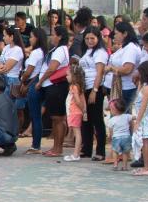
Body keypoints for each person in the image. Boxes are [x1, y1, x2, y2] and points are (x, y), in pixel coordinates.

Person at [77, 28, 109, 161]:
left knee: (97, 120)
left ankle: (100, 151)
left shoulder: (100, 52)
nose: (89, 41)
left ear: (98, 38)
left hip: (94, 88)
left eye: (92, 38)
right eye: (87, 38)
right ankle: (87, 149)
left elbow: (100, 73)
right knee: (86, 120)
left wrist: (94, 91)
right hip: (84, 87)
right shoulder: (87, 52)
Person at [39, 28, 71, 157]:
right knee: (55, 118)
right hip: (54, 86)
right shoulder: (58, 49)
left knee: (58, 118)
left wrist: (40, 81)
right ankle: (56, 146)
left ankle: (58, 148)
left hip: (56, 85)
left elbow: (51, 68)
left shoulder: (60, 50)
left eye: (53, 35)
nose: (51, 37)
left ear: (59, 36)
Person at [63, 63, 86, 162]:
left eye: (68, 75)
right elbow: (82, 99)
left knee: (77, 133)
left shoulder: (74, 87)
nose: (66, 76)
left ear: (74, 76)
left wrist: (82, 109)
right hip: (75, 112)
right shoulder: (78, 86)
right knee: (77, 132)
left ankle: (76, 154)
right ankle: (76, 153)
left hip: (74, 112)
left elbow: (77, 100)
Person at [106, 98, 132, 170]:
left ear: (114, 110)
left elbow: (111, 130)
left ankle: (115, 165)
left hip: (116, 137)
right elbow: (134, 118)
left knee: (115, 151)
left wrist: (110, 137)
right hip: (126, 137)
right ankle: (125, 166)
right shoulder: (127, 116)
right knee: (125, 152)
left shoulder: (111, 120)